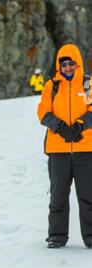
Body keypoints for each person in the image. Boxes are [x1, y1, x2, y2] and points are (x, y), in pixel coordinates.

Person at [38, 44, 92, 248]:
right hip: (58, 150)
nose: (67, 67)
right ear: (59, 66)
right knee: (58, 195)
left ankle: (91, 237)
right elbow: (43, 112)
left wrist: (78, 126)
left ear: (77, 64)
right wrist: (60, 127)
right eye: (64, 64)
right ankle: (57, 236)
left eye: (71, 63)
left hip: (86, 149)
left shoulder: (88, 84)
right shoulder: (52, 86)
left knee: (88, 195)